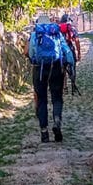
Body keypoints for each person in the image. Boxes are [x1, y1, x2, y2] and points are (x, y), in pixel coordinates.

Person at [29, 14, 76, 142]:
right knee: (57, 97)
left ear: (38, 24)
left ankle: (44, 132)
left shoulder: (35, 34)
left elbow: (31, 54)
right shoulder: (56, 33)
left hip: (39, 69)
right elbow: (65, 49)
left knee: (42, 99)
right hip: (56, 67)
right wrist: (71, 64)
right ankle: (57, 121)